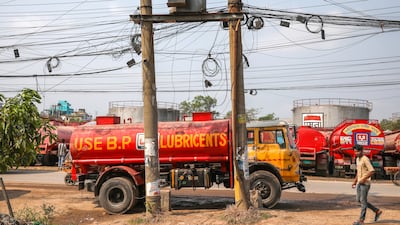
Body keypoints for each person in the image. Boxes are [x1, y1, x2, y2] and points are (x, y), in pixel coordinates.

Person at [351, 144, 383, 225]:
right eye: (355, 151)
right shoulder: (358, 159)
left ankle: (361, 220)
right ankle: (377, 211)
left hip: (365, 183)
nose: (356, 153)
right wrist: (355, 181)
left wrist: (364, 179)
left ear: (361, 151)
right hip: (359, 182)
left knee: (363, 201)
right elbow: (358, 171)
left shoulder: (365, 159)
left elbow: (372, 171)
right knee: (359, 200)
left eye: (357, 151)